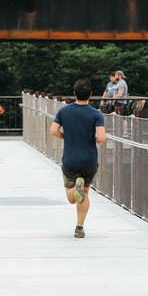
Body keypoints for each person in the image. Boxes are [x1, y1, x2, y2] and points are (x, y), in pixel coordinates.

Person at [49, 79, 106, 238]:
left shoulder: (64, 111)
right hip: (89, 160)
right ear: (91, 95)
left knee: (72, 197)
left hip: (70, 160)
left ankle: (75, 188)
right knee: (85, 193)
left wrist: (66, 137)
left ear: (74, 94)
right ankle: (79, 228)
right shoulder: (96, 114)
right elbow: (101, 138)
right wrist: (91, 139)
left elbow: (53, 131)